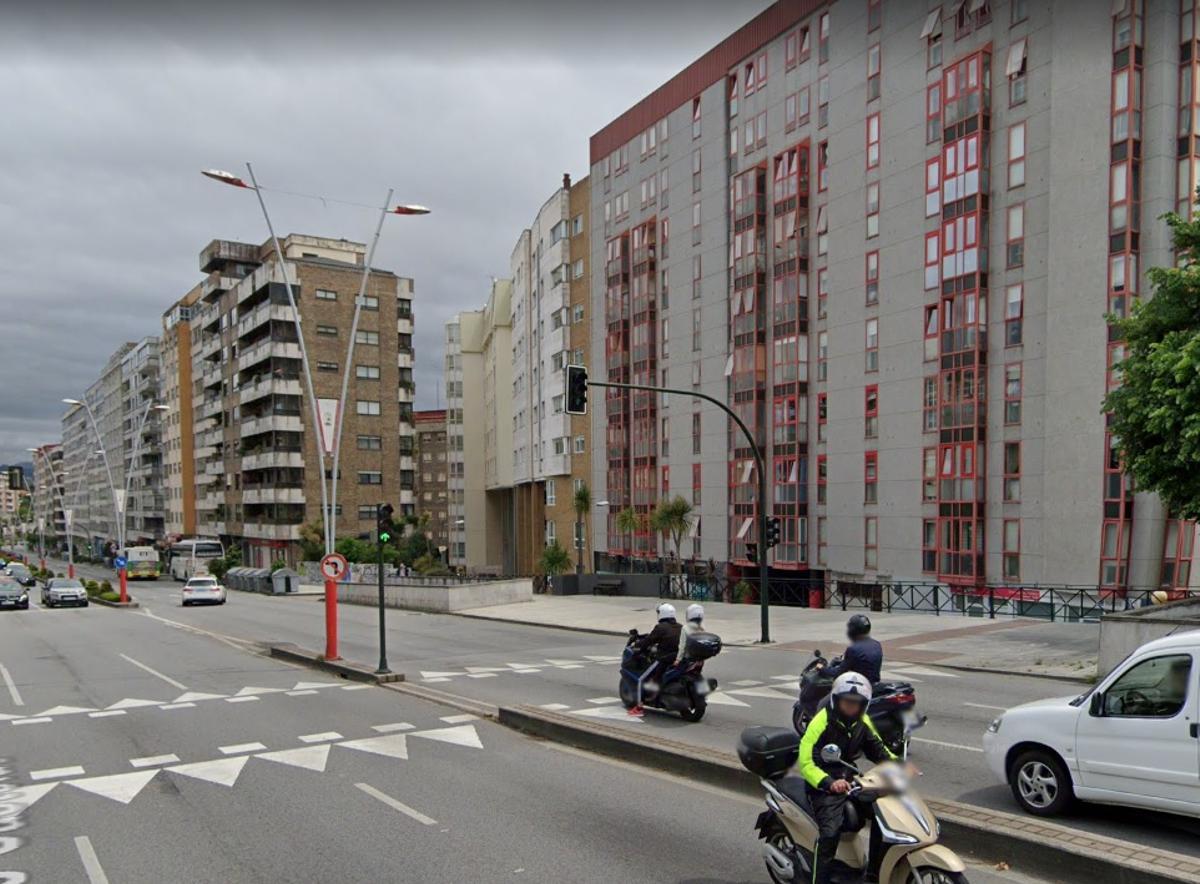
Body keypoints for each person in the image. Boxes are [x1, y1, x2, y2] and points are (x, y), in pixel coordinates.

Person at [796, 672, 897, 884]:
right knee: (830, 833)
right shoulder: (821, 721)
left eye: (856, 703)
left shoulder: (862, 721)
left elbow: (878, 749)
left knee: (885, 816)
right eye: (846, 702)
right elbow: (806, 762)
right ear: (836, 700)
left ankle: (873, 875)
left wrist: (898, 764)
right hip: (824, 785)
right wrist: (829, 783)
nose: (851, 707)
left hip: (850, 779)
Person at [629, 603, 681, 716]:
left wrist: (638, 646)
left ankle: (639, 708)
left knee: (642, 679)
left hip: (663, 659)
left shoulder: (661, 627)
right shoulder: (679, 626)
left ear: (662, 614)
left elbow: (649, 641)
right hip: (677, 658)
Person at [824, 613, 883, 685]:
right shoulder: (876, 644)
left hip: (860, 687)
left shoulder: (853, 649)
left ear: (853, 630)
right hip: (874, 684)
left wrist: (821, 668)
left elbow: (838, 672)